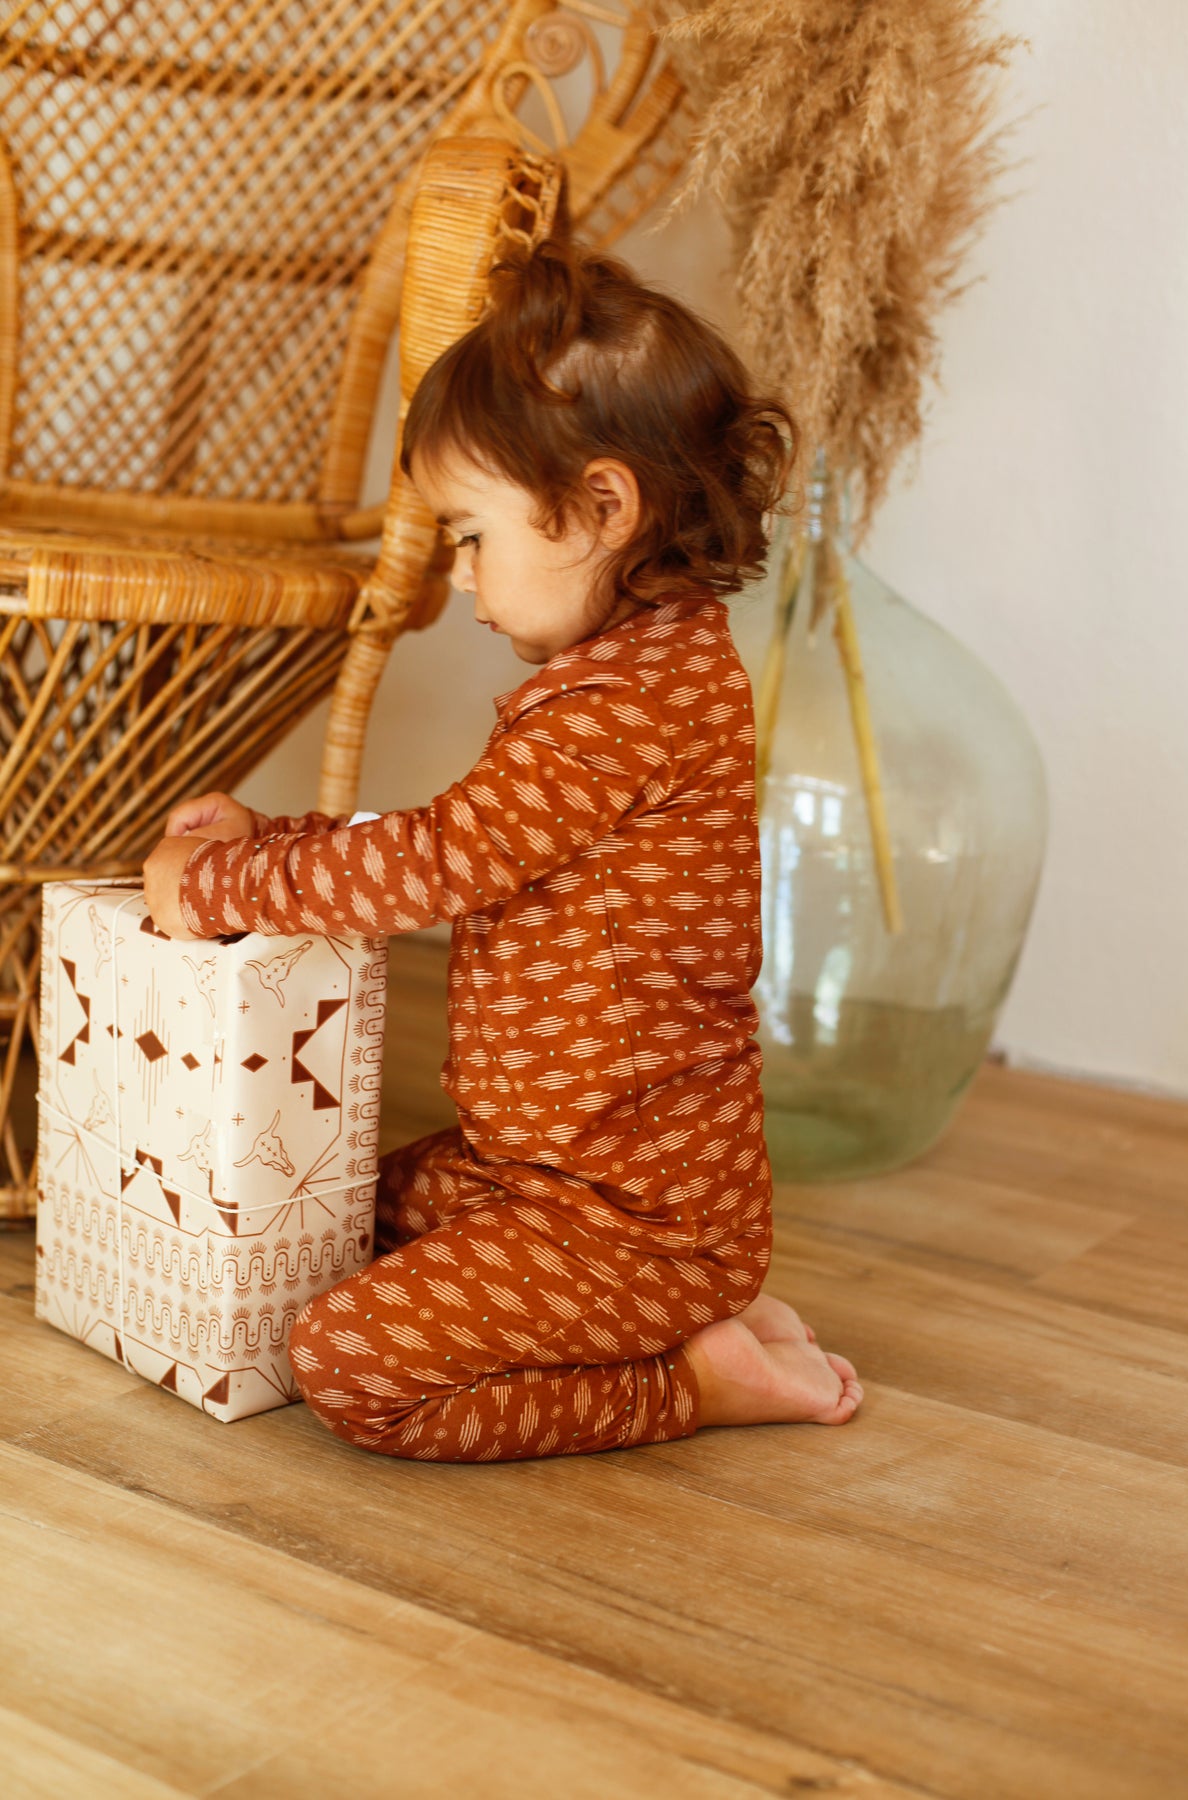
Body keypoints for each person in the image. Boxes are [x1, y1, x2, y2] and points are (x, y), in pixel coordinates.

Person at [143, 233, 862, 1461]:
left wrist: (221, 887)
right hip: (538, 1170)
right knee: (335, 1211)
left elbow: (440, 862)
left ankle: (691, 1381)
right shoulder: (639, 672)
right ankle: (698, 1317)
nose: (464, 579)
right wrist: (282, 835)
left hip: (630, 1219)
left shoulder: (625, 704)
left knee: (351, 1366)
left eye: (473, 536)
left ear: (603, 508)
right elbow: (466, 837)